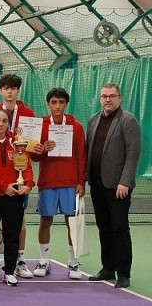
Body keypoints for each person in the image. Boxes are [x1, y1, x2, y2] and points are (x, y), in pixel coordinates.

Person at [0, 74, 37, 279]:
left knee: (17, 225)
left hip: (18, 183)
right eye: (6, 88)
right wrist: (2, 185)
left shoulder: (28, 114)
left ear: (18, 91)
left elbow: (31, 154)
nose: (10, 91)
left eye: (13, 88)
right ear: (1, 91)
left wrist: (28, 183)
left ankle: (17, 263)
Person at [86, 83, 140, 289]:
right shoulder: (93, 120)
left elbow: (133, 152)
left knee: (119, 227)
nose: (107, 99)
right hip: (97, 183)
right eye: (104, 96)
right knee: (104, 226)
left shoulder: (128, 120)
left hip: (118, 186)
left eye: (112, 96)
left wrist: (125, 181)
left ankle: (123, 273)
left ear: (120, 98)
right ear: (100, 98)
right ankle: (108, 268)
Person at [29, 88, 87, 279]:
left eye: (61, 102)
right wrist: (42, 149)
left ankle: (73, 263)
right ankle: (44, 261)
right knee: (45, 221)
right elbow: (34, 157)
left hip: (71, 183)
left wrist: (81, 182)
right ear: (48, 104)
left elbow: (81, 156)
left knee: (72, 223)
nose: (57, 106)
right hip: (48, 181)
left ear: (66, 104)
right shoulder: (41, 126)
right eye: (54, 102)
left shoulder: (76, 127)